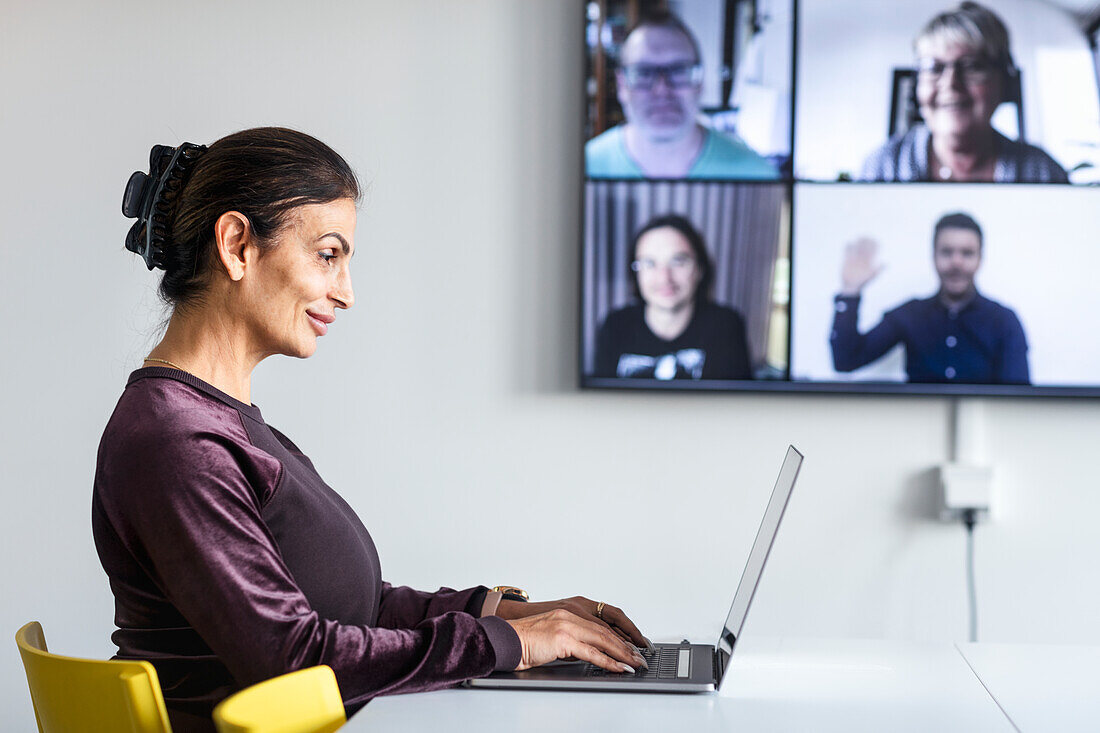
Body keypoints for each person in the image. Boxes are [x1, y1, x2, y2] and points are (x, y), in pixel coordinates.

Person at [94, 128, 652, 732]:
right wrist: (506, 644)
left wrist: (516, 615)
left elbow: (358, 608)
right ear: (236, 246)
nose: (347, 293)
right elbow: (297, 662)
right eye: (328, 255)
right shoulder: (178, 442)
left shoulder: (214, 424)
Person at [859, 2, 1067, 183]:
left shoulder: (1043, 173)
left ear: (1003, 80)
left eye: (972, 66)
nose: (951, 84)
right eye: (934, 68)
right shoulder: (882, 168)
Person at [829, 212, 1029, 384]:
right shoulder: (910, 314)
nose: (956, 262)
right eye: (947, 252)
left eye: (967, 253)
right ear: (933, 255)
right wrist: (850, 290)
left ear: (980, 258)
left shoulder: (1004, 321)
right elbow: (846, 361)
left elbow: (1017, 399)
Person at [585, 11, 777, 180]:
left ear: (700, 82)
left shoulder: (757, 173)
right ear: (621, 85)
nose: (661, 89)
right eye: (644, 72)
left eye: (678, 71)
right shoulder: (585, 167)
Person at [595, 214, 752, 380]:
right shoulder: (615, 326)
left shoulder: (726, 326)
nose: (665, 278)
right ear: (636, 274)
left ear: (700, 269)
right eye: (649, 263)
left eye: (678, 261)